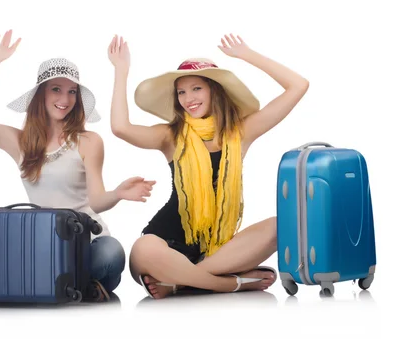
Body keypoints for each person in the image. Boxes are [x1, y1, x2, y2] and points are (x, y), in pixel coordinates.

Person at [0, 29, 156, 301]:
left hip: (88, 244)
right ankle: (77, 286)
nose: (64, 100)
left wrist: (117, 194)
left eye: (71, 92)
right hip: (44, 244)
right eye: (56, 89)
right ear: (41, 95)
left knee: (111, 253)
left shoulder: (88, 141)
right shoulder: (18, 142)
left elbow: (98, 201)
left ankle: (66, 283)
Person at [108, 33, 309, 299]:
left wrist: (246, 54)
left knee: (278, 226)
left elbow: (298, 85)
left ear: (215, 89)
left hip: (217, 252)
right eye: (181, 91)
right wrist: (121, 70)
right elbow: (120, 128)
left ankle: (184, 282)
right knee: (142, 249)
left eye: (196, 88)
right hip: (164, 247)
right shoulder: (170, 135)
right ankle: (229, 284)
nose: (187, 98)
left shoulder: (240, 133)